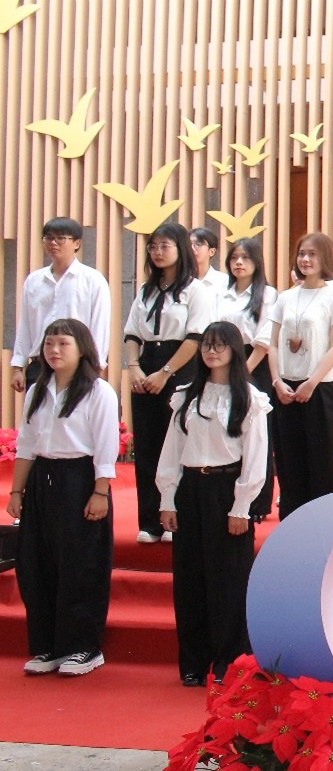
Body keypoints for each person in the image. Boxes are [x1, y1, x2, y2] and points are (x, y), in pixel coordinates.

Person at [156, 322, 270, 686]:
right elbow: (172, 450)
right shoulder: (187, 396)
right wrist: (168, 498)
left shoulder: (249, 398)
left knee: (229, 580)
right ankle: (194, 660)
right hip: (191, 488)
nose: (212, 351)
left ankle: (228, 660)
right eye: (207, 344)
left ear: (234, 350)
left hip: (227, 490)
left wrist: (241, 506)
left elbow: (256, 456)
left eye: (220, 345)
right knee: (190, 578)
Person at [8, 319, 119, 677]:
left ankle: (84, 646)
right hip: (43, 478)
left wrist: (100, 491)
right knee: (37, 562)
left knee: (80, 564)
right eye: (49, 344)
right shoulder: (37, 390)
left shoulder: (98, 392)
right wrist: (16, 491)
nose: (54, 351)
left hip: (81, 479)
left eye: (63, 344)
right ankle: (48, 645)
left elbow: (106, 447)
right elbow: (26, 445)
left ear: (82, 348)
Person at [124, 222, 213, 543]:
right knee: (147, 444)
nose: (158, 252)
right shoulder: (146, 290)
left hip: (181, 368)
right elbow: (132, 334)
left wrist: (165, 373)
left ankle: (176, 517)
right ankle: (150, 521)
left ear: (180, 249)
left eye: (165, 246)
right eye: (153, 246)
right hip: (145, 366)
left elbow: (195, 337)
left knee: (177, 444)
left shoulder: (195, 290)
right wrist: (134, 367)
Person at [266, 233, 333, 519]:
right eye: (302, 253)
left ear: (325, 257)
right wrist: (277, 382)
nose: (305, 259)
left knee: (323, 463)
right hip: (286, 391)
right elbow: (273, 343)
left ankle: (323, 526)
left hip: (321, 389)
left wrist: (312, 382)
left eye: (312, 254)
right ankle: (292, 526)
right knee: (289, 463)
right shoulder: (285, 297)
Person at [10, 218, 112, 393]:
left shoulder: (93, 279)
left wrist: (96, 365)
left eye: (60, 238)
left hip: (79, 365)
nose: (53, 243)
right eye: (48, 238)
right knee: (37, 410)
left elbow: (100, 325)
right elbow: (25, 324)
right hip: (40, 365)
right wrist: (18, 366)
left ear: (76, 243)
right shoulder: (34, 281)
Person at [216, 238, 278, 521]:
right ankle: (230, 497)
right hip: (223, 361)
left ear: (257, 262)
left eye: (245, 258)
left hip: (255, 364)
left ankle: (258, 503)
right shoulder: (221, 293)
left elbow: (264, 339)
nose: (239, 263)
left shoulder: (267, 294)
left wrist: (242, 373)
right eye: (234, 258)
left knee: (257, 433)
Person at [189, 227, 229, 293]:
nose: (192, 248)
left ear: (212, 251)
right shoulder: (180, 280)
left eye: (198, 244)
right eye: (189, 245)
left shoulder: (223, 281)